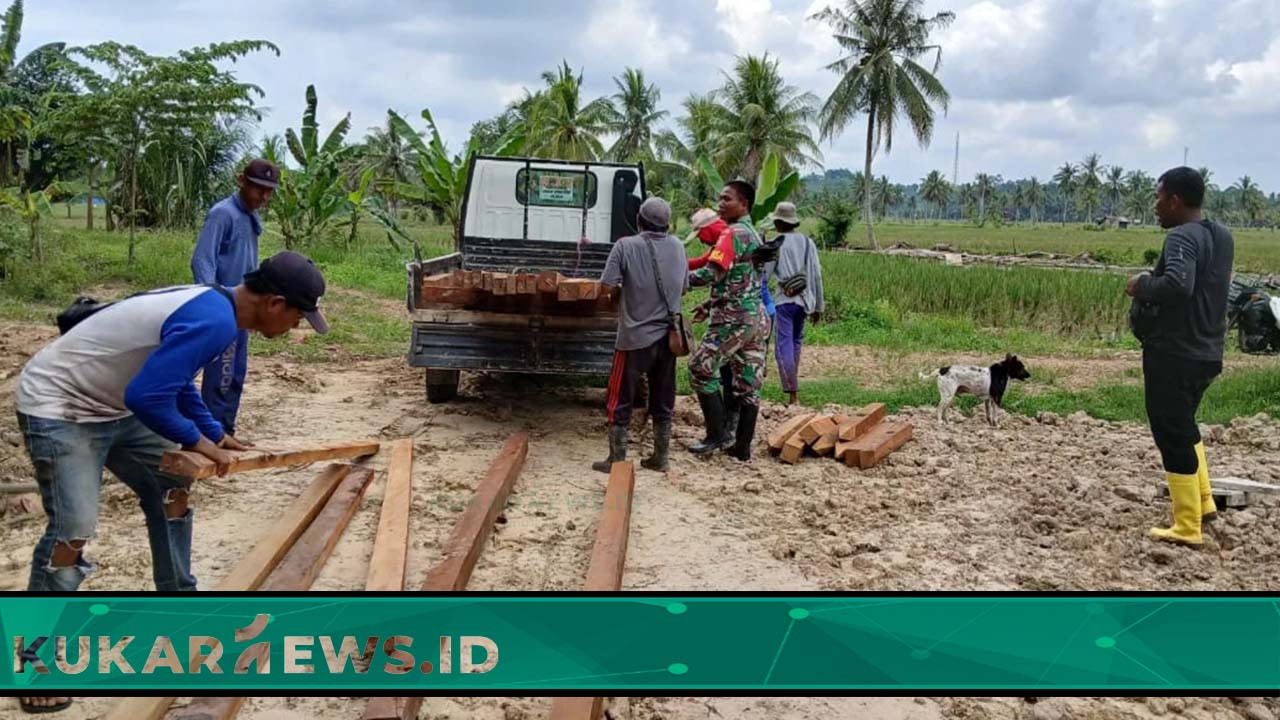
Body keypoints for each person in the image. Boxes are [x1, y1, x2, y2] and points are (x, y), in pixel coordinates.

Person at [1125, 167, 1233, 547]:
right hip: (1208, 350)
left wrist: (1140, 286)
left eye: (1158, 198)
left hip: (1174, 352)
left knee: (1170, 432)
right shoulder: (1221, 236)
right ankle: (1202, 504)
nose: (1155, 205)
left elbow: (1178, 285)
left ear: (1174, 200)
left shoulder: (1181, 238)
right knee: (1185, 426)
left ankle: (1186, 526)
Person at [595, 197, 688, 473]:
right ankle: (661, 457)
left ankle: (617, 459)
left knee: (620, 397)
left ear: (639, 221)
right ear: (668, 225)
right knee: (662, 399)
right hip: (669, 339)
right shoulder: (679, 246)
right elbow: (683, 289)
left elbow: (606, 287)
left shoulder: (625, 246)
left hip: (634, 337)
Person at [191, 158, 279, 437]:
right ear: (241, 181)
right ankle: (212, 435)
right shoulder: (223, 214)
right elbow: (202, 260)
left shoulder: (250, 215)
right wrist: (215, 304)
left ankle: (225, 431)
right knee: (221, 375)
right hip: (225, 309)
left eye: (269, 191)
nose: (263, 197)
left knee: (235, 374)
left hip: (244, 310)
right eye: (257, 189)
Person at [686, 181, 772, 461]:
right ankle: (742, 447)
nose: (721, 204)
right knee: (748, 383)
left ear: (743, 204)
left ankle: (717, 434)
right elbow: (743, 280)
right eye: (720, 198)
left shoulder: (731, 233)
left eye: (727, 199)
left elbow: (711, 273)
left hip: (732, 319)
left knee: (701, 367)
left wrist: (674, 281)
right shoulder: (753, 233)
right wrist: (710, 302)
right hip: (756, 318)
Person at [766, 202, 825, 406]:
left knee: (783, 346)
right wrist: (818, 307)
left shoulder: (776, 243)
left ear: (779, 222)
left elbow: (765, 275)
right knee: (796, 342)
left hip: (784, 300)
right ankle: (793, 387)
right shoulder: (808, 243)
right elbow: (816, 275)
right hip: (805, 301)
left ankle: (792, 393)